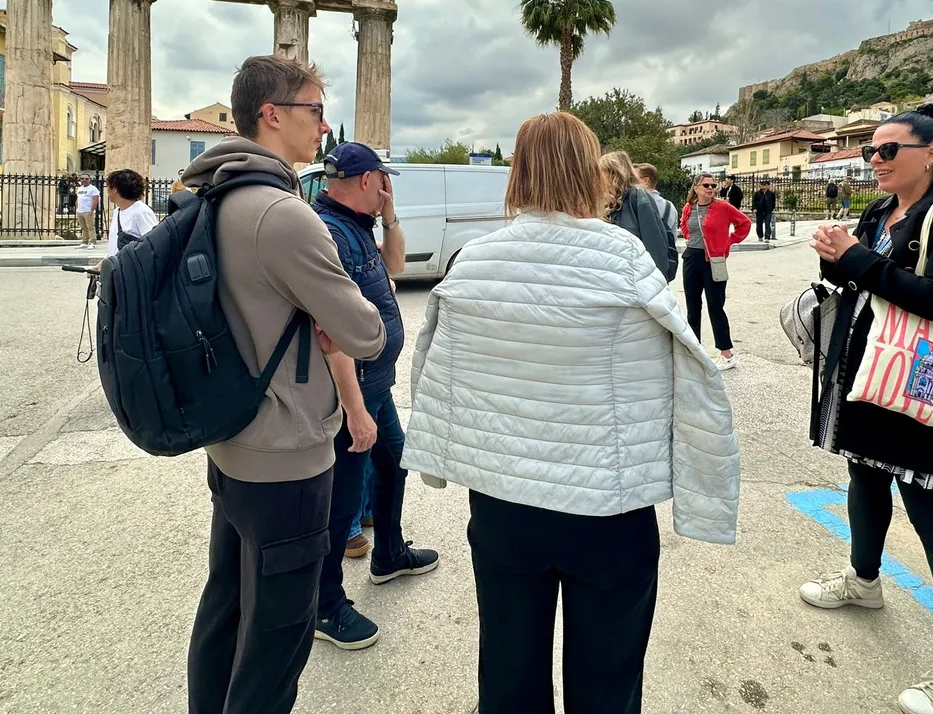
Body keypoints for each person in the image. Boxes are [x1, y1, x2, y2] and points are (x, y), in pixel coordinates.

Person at [400, 111, 741, 714]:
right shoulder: (622, 257)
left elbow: (437, 369)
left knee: (508, 667)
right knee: (607, 678)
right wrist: (703, 489)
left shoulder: (474, 260)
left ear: (518, 173)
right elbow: (687, 372)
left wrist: (437, 462)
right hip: (606, 505)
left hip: (504, 501)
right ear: (590, 173)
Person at [182, 56, 387, 714]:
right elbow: (366, 331)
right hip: (286, 456)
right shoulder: (282, 213)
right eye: (315, 110)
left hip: (232, 440)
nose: (324, 127)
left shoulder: (212, 193)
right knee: (276, 641)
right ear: (271, 114)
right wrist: (335, 317)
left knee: (226, 610)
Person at [802, 103, 933, 714]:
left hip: (924, 384)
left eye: (889, 150)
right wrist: (834, 257)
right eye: (871, 151)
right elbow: (860, 282)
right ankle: (863, 582)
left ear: (931, 152)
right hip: (868, 377)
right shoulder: (880, 211)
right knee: (863, 480)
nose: (876, 160)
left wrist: (858, 259)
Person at [311, 142, 439, 652]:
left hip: (376, 383)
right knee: (343, 496)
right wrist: (354, 409)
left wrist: (389, 216)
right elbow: (331, 330)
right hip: (355, 390)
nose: (388, 188)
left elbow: (397, 264)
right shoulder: (330, 234)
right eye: (384, 180)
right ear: (369, 180)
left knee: (393, 463)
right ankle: (324, 605)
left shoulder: (357, 225)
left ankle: (388, 554)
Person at [679, 172, 752, 370]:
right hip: (691, 258)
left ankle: (727, 354)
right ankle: (694, 351)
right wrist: (689, 237)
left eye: (713, 185)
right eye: (706, 185)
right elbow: (684, 224)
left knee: (715, 306)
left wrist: (729, 241)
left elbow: (744, 223)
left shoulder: (723, 207)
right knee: (693, 306)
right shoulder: (689, 207)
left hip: (714, 261)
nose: (711, 188)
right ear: (696, 188)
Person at [601, 150, 672, 277]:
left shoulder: (637, 197)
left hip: (635, 276)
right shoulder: (606, 203)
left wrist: (656, 279)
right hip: (613, 275)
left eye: (601, 171)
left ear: (613, 173)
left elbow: (654, 243)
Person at [105, 169, 158, 256]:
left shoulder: (141, 212)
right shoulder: (117, 212)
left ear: (115, 189)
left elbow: (153, 244)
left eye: (108, 187)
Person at [635, 162, 678, 235]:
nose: (628, 183)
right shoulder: (670, 206)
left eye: (632, 179)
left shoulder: (636, 204)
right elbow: (673, 237)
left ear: (645, 180)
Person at [75, 173, 100, 249]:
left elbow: (95, 200)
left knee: (90, 227)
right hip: (80, 211)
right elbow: (78, 199)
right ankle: (85, 241)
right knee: (83, 227)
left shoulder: (93, 189)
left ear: (89, 180)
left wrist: (91, 210)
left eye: (86, 179)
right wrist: (77, 209)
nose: (84, 180)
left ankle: (92, 242)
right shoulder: (79, 189)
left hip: (88, 211)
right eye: (82, 179)